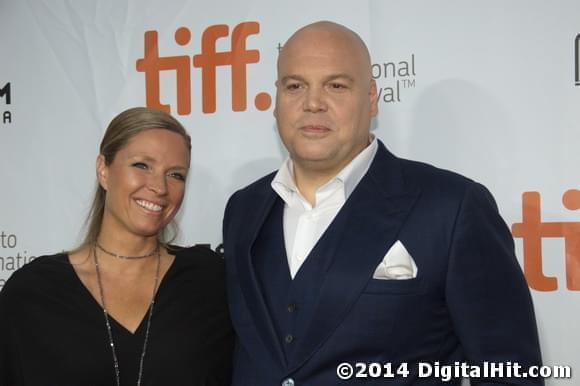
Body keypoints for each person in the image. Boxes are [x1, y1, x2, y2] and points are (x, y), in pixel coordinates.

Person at [222, 21, 543, 385]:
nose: (312, 103)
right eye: (295, 86)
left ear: (372, 98)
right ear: (277, 98)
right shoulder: (243, 209)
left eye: (336, 85)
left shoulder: (452, 208)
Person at [0, 107, 233, 386]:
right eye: (142, 165)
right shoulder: (34, 291)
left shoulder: (209, 280)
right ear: (103, 170)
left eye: (176, 175)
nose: (159, 187)